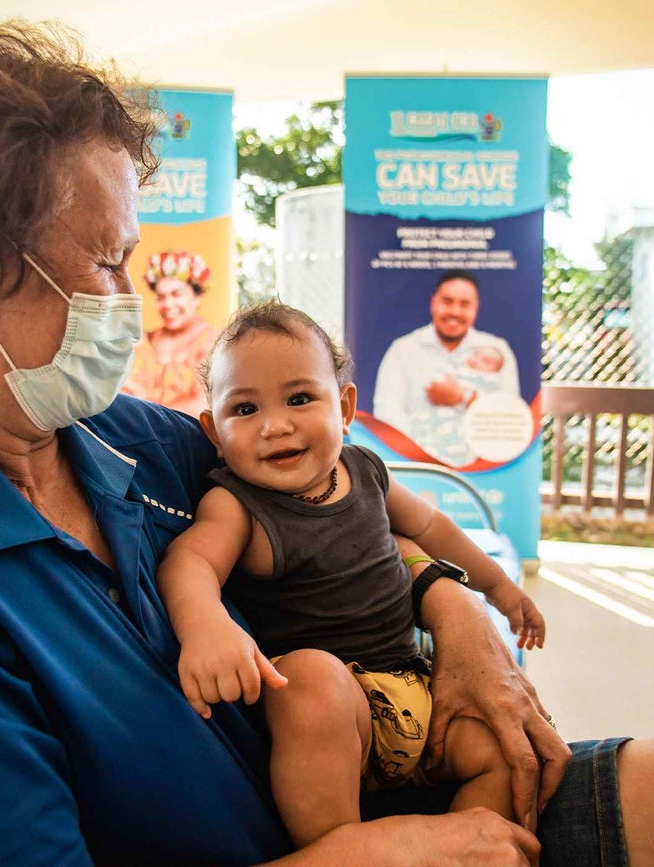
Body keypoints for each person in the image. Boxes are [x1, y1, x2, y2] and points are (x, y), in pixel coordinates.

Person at [0, 21, 654, 867]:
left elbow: (332, 519)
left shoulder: (129, 446)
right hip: (342, 840)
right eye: (111, 260)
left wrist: (457, 610)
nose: (136, 299)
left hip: (371, 786)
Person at [156, 301, 547, 847]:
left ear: (343, 407)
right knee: (311, 677)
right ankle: (345, 847)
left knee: (508, 749)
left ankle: (468, 839)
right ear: (214, 433)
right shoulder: (237, 504)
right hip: (332, 723)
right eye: (244, 410)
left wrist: (498, 586)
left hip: (418, 689)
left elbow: (434, 527)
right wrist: (205, 628)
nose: (275, 425)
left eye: (299, 398)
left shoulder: (365, 470)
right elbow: (190, 560)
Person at [373, 270, 520, 466]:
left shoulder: (497, 351)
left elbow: (510, 417)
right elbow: (387, 413)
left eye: (465, 304)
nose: (455, 312)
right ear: (433, 302)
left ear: (476, 307)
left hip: (480, 472)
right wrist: (424, 457)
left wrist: (461, 398)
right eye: (447, 301)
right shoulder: (403, 349)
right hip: (417, 467)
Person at [122, 250, 219, 415]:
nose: (167, 304)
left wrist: (145, 409)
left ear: (197, 297)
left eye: (176, 294)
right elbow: (120, 398)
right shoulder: (143, 341)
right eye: (161, 297)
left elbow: (203, 405)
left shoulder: (212, 342)